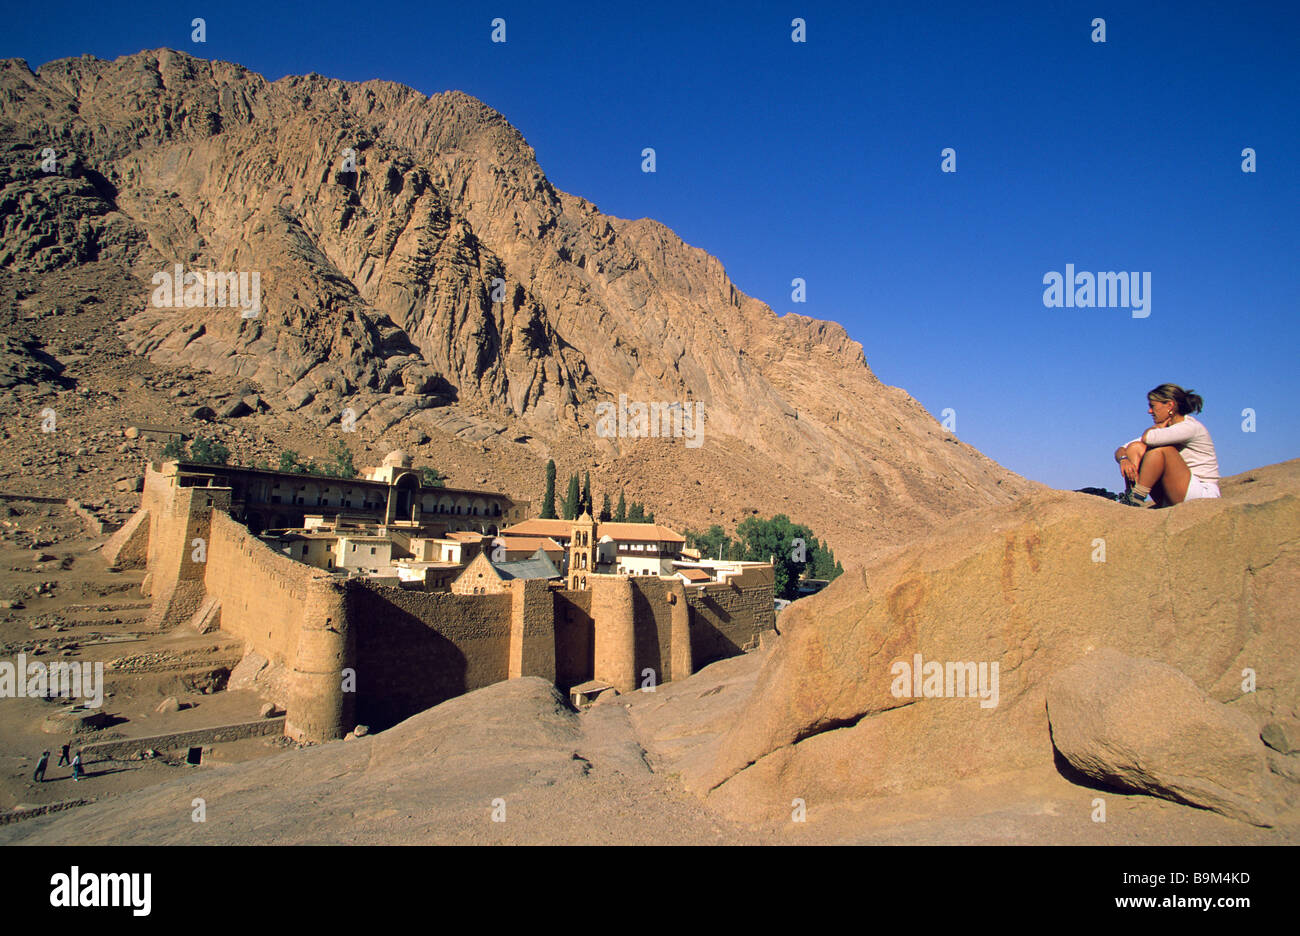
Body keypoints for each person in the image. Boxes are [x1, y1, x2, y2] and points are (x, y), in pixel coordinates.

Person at [1114, 384, 1220, 508]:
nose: (1149, 411)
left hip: (1202, 494)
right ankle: (1131, 496)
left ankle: (1137, 497)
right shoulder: (1166, 431)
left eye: (1152, 406)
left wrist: (1156, 428)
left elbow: (1149, 438)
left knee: (1162, 450)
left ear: (1170, 406)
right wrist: (1123, 459)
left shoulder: (1190, 427)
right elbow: (1122, 449)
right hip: (1174, 491)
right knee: (1135, 447)